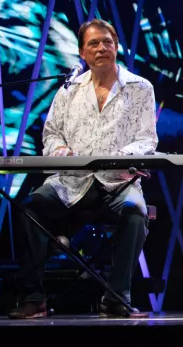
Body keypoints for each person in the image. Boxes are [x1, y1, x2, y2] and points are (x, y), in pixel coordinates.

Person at [9, 19, 157, 319]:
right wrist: (59, 150)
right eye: (94, 43)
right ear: (82, 52)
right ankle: (34, 298)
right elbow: (52, 133)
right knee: (30, 208)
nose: (101, 48)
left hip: (118, 183)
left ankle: (116, 298)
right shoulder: (69, 90)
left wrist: (118, 157)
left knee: (135, 212)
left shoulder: (140, 88)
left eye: (107, 42)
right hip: (70, 183)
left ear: (116, 47)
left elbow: (147, 139)